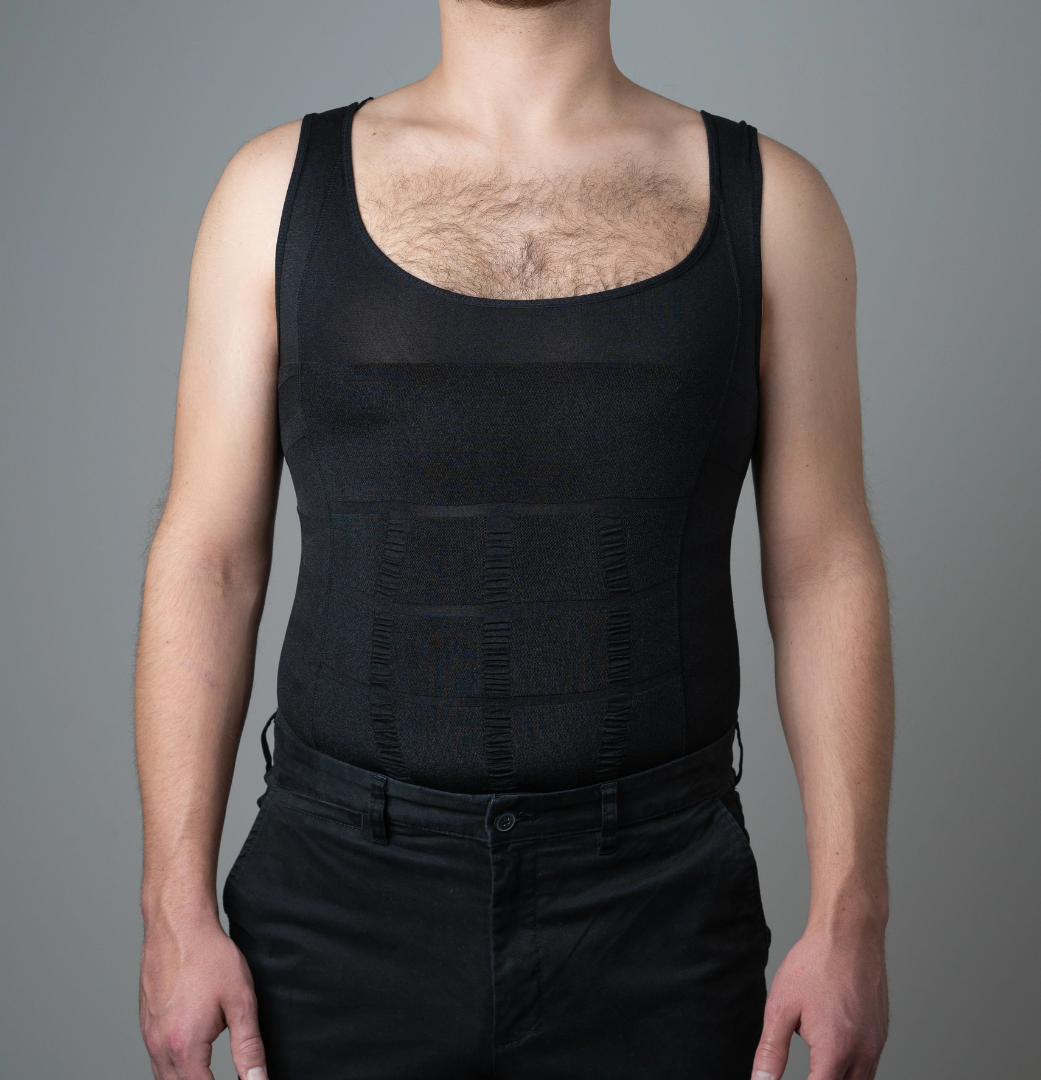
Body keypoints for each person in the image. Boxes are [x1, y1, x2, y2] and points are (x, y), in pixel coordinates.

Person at [135, 1, 894, 1077]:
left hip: (657, 911)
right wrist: (172, 910)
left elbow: (822, 569)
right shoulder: (269, 194)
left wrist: (852, 916)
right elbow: (208, 560)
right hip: (336, 905)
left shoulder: (777, 207)